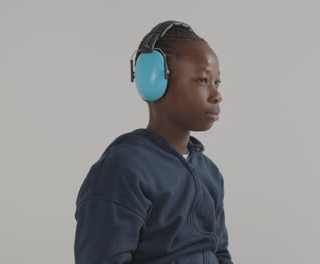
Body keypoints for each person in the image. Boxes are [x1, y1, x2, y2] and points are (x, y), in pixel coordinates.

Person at [74, 20, 233, 264]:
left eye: (217, 82)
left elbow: (220, 253)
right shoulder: (124, 169)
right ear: (155, 81)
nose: (216, 94)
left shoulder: (209, 173)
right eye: (202, 80)